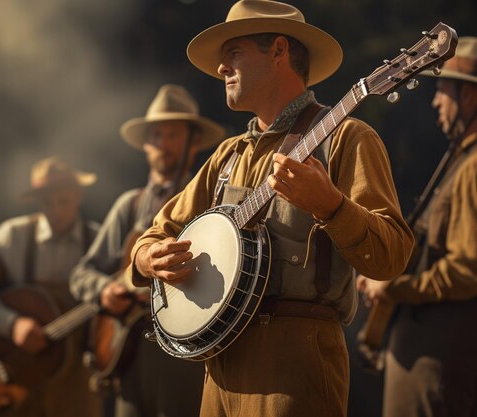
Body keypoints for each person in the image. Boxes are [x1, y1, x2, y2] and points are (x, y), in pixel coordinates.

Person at [130, 1, 414, 416]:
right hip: (218, 369)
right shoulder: (227, 155)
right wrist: (146, 258)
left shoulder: (347, 137)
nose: (222, 69)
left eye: (233, 54)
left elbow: (392, 255)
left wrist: (331, 207)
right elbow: (157, 232)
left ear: (279, 50)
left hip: (296, 363)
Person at [69, 84, 225, 417]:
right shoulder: (130, 205)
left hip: (187, 352)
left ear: (193, 143)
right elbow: (82, 274)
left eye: (173, 135)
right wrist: (104, 290)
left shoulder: (211, 202)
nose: (163, 144)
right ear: (146, 145)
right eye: (157, 136)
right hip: (130, 350)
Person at [358, 36, 477, 417]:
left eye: (442, 90)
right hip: (427, 351)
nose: (435, 101)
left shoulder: (474, 167)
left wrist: (396, 287)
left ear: (470, 98)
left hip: (438, 359)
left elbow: (469, 269)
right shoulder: (463, 160)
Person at [0, 157, 101, 417]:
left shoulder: (97, 242)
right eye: (46, 203)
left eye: (63, 202)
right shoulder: (11, 238)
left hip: (75, 382)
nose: (55, 211)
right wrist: (12, 324)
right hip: (18, 378)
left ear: (78, 196)